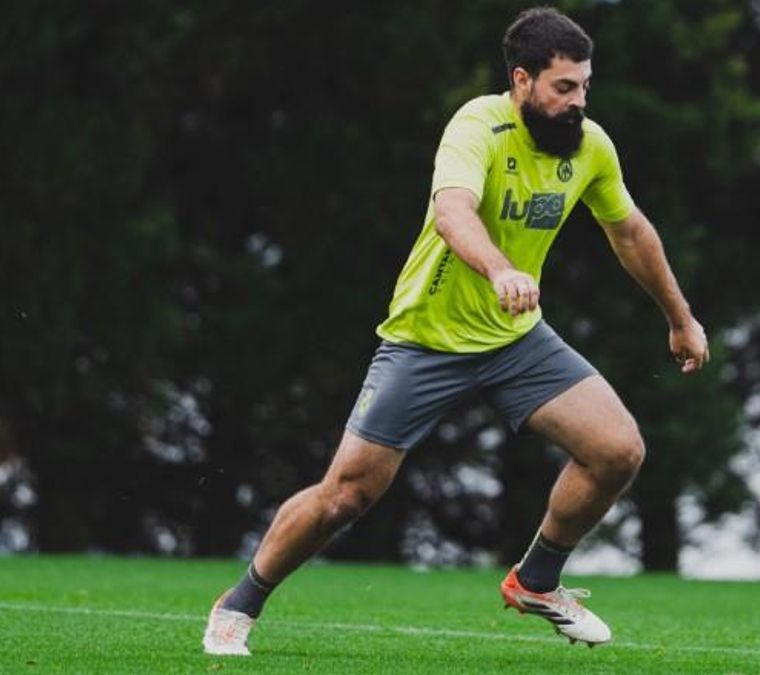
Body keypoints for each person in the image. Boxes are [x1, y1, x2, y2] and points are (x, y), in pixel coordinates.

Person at [203, 6, 709, 656]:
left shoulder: (589, 147)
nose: (578, 101)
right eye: (564, 88)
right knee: (348, 493)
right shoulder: (478, 125)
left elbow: (630, 231)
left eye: (585, 86)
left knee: (617, 450)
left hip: (516, 339)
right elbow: (452, 212)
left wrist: (680, 317)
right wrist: (499, 267)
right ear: (522, 81)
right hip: (426, 339)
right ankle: (239, 602)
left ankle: (537, 580)